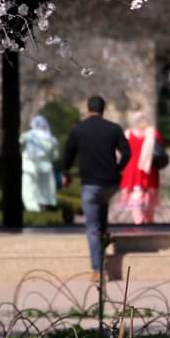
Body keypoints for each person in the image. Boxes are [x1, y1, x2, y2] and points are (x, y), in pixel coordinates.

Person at [62, 96, 131, 282]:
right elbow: (127, 152)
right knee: (101, 220)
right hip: (110, 183)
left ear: (88, 109)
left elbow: (68, 153)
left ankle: (97, 269)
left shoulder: (79, 130)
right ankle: (102, 249)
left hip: (90, 184)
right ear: (103, 109)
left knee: (92, 228)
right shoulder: (113, 128)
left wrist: (65, 172)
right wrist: (118, 168)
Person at [117, 112, 164, 225]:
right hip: (149, 171)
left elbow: (119, 153)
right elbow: (161, 149)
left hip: (131, 172)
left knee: (135, 199)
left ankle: (139, 222)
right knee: (149, 200)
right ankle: (148, 223)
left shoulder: (127, 134)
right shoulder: (154, 134)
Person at [20, 115, 60, 212]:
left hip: (29, 167)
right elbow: (55, 156)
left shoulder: (26, 136)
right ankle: (43, 210)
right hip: (46, 168)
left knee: (29, 190)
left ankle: (33, 210)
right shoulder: (51, 139)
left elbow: (20, 148)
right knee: (44, 192)